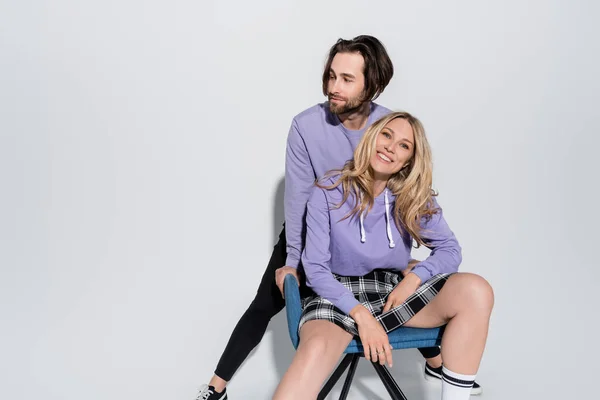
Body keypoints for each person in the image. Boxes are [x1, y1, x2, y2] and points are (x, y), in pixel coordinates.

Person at [196, 36, 480, 400]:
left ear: (371, 84)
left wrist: (399, 260)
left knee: (412, 283)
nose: (334, 87)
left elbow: (411, 193)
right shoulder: (306, 126)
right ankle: (216, 387)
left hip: (374, 238)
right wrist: (294, 262)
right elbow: (298, 199)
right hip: (314, 228)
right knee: (266, 301)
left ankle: (441, 365)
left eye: (347, 79)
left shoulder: (389, 127)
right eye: (331, 76)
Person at [272, 111, 494, 400]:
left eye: (404, 145)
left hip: (391, 292)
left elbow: (450, 249)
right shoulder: (328, 190)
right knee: (311, 355)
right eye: (387, 135)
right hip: (335, 294)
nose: (391, 147)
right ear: (372, 137)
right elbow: (314, 269)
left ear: (409, 161)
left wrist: (414, 278)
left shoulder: (413, 195)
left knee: (476, 290)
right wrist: (361, 315)